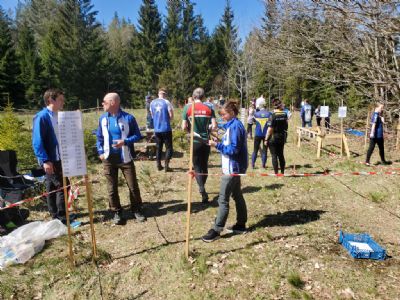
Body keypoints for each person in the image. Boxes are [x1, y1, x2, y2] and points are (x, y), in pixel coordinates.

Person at [202, 101, 248, 242]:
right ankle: (241, 224)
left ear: (232, 113)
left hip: (232, 169)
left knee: (223, 199)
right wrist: (215, 129)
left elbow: (233, 150)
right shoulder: (233, 124)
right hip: (234, 167)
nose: (222, 117)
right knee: (237, 195)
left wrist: (217, 144)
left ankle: (216, 229)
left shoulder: (236, 127)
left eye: (224, 114)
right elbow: (225, 128)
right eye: (221, 115)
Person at [96, 92, 146, 225]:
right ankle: (116, 212)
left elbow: (137, 135)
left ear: (113, 103)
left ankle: (136, 210)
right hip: (108, 159)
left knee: (133, 186)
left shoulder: (128, 118)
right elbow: (99, 137)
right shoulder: (102, 118)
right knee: (111, 188)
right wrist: (100, 151)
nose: (102, 104)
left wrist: (125, 142)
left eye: (104, 102)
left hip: (125, 158)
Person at [32, 88, 68, 223]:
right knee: (62, 186)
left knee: (52, 187)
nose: (63, 102)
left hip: (59, 157)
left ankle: (55, 217)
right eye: (60, 99)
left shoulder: (58, 116)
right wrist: (45, 160)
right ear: (50, 100)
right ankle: (61, 217)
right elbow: (37, 141)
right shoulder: (42, 117)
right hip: (50, 159)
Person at [182, 88, 217, 203]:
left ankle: (202, 189)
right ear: (203, 97)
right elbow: (214, 126)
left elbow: (183, 126)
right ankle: (202, 186)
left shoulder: (187, 108)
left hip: (195, 140)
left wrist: (189, 131)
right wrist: (208, 128)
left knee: (196, 166)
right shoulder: (209, 108)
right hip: (206, 141)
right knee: (204, 165)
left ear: (193, 96)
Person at [150, 88, 174, 172]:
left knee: (158, 147)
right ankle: (167, 166)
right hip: (166, 128)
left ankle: (158, 165)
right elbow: (171, 115)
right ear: (165, 94)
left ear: (158, 94)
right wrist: (168, 121)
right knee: (169, 148)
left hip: (157, 129)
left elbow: (152, 116)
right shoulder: (167, 102)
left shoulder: (152, 103)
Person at [265, 99, 288, 174]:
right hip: (282, 136)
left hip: (273, 137)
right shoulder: (285, 114)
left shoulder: (273, 116)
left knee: (274, 155)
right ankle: (282, 172)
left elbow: (270, 129)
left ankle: (276, 173)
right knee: (281, 154)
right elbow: (286, 126)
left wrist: (266, 139)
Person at [251, 103, 272, 169]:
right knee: (265, 150)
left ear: (260, 107)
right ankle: (263, 165)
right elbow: (270, 124)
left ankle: (252, 164)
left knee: (255, 150)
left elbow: (253, 122)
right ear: (265, 107)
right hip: (266, 134)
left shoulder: (256, 114)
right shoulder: (269, 114)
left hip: (257, 134)